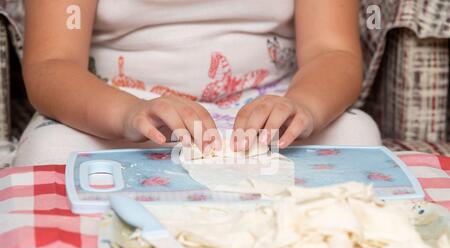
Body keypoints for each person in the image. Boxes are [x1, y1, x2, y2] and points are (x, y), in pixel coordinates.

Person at [14, 0, 381, 166]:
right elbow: (52, 64)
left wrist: (303, 107)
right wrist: (129, 113)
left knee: (358, 136)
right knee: (49, 151)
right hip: (123, 114)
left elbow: (332, 51)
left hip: (268, 113)